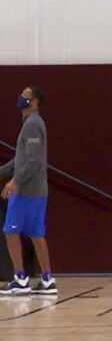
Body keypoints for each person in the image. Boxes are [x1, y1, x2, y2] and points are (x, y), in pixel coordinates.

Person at [0, 86, 57, 295]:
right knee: (35, 233)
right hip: (35, 190)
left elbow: (32, 162)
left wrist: (14, 182)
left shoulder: (32, 125)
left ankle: (20, 279)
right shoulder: (31, 124)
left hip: (26, 191)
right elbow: (22, 159)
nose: (21, 97)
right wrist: (3, 172)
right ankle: (47, 280)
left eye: (26, 95)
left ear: (34, 102)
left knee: (11, 231)